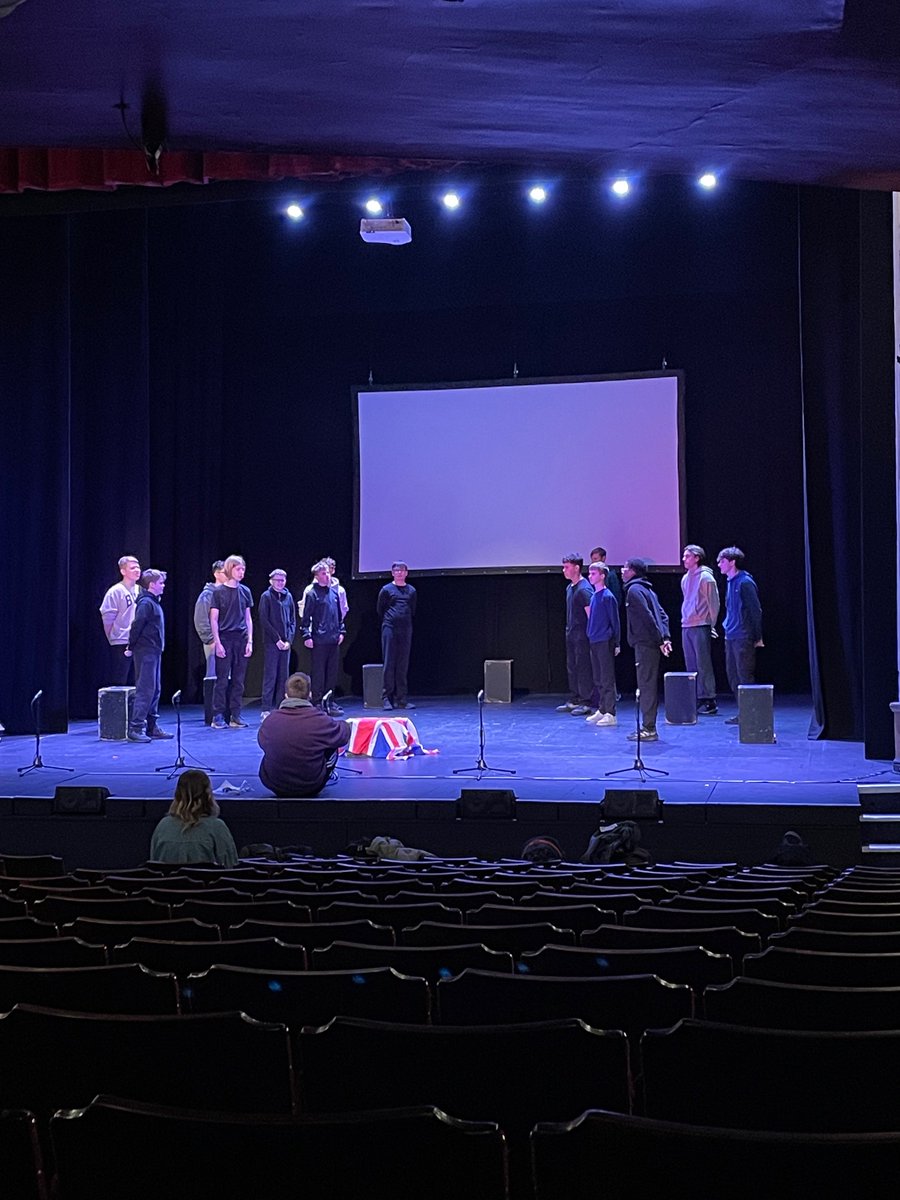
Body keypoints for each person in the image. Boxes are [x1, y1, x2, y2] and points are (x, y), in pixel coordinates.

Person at [257, 671, 351, 797]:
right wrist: (331, 722)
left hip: (274, 784)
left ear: (286, 695)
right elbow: (344, 734)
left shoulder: (270, 720)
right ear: (310, 695)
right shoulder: (319, 719)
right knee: (332, 742)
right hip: (311, 785)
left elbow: (262, 742)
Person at [622, 557, 672, 741]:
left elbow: (648, 617)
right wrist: (665, 637)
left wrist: (660, 640)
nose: (622, 570)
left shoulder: (634, 591)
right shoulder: (647, 589)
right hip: (651, 642)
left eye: (625, 567)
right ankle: (648, 726)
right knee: (648, 684)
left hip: (645, 643)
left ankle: (649, 728)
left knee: (646, 686)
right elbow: (662, 615)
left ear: (633, 571)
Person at [150, 769, 238, 866]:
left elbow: (154, 864)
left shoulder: (163, 826)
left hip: (168, 880)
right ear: (208, 795)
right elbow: (230, 867)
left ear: (177, 794)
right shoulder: (217, 827)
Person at [717, 546, 763, 725]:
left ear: (732, 562)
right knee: (733, 675)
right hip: (730, 635)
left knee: (744, 676)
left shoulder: (745, 582)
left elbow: (755, 610)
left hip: (743, 636)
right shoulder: (730, 582)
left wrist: (757, 636)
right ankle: (743, 712)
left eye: (722, 561)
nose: (719, 564)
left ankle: (751, 713)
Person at [125, 568, 172, 742]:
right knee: (145, 689)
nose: (163, 586)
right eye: (161, 583)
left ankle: (151, 726)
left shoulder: (154, 602)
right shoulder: (146, 603)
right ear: (152, 584)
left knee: (155, 689)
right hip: (145, 651)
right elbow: (137, 626)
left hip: (154, 650)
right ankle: (136, 727)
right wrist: (131, 645)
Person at [209, 554, 254, 730]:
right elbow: (214, 619)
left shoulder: (245, 591)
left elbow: (248, 618)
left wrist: (250, 641)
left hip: (241, 639)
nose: (241, 572)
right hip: (225, 638)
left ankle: (235, 715)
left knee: (239, 679)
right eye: (237, 569)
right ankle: (218, 715)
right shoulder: (218, 592)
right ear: (229, 569)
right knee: (222, 680)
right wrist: (217, 642)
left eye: (243, 569)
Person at [681, 543, 721, 715]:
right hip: (687, 624)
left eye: (688, 556)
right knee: (691, 664)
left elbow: (714, 603)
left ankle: (709, 699)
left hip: (701, 624)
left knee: (703, 664)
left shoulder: (706, 578)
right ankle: (695, 697)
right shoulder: (685, 578)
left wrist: (711, 624)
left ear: (697, 558)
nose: (684, 559)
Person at [301, 560, 345, 713]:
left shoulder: (334, 593)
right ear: (317, 576)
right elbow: (306, 618)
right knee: (319, 673)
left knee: (332, 673)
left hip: (333, 639)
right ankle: (317, 702)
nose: (327, 576)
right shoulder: (312, 594)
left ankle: (330, 701)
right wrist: (306, 636)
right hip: (319, 640)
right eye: (323, 573)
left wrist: (341, 631)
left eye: (327, 573)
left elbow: (339, 616)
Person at [557, 554, 594, 716]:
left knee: (583, 667)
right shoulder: (570, 588)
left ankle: (586, 702)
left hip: (583, 635)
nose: (563, 570)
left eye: (567, 567)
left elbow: (591, 615)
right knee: (572, 666)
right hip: (571, 633)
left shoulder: (584, 589)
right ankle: (575, 698)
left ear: (577, 568)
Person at [377, 561, 417, 710]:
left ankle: (402, 699)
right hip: (390, 628)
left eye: (402, 570)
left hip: (405, 629)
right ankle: (387, 698)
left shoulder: (411, 591)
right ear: (392, 573)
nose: (399, 573)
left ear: (406, 573)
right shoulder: (386, 590)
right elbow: (380, 609)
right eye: (396, 570)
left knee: (402, 664)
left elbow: (412, 609)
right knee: (389, 663)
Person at [585, 560, 620, 726]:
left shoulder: (608, 597)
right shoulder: (594, 597)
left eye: (593, 573)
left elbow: (615, 621)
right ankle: (602, 708)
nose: (590, 576)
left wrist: (616, 643)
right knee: (598, 677)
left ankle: (611, 712)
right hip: (594, 640)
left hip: (605, 641)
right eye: (590, 573)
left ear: (602, 576)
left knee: (607, 678)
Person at [259, 568, 296, 718]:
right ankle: (266, 709)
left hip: (286, 644)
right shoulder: (266, 597)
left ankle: (282, 706)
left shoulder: (289, 597)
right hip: (272, 643)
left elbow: (293, 620)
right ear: (271, 581)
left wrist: (289, 640)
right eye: (277, 580)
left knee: (284, 676)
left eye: (283, 580)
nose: (280, 583)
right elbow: (264, 619)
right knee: (270, 676)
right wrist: (277, 640)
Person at [99, 555, 141, 685]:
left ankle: (134, 705)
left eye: (138, 567)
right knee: (120, 679)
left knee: (136, 680)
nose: (137, 570)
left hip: (138, 641)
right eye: (133, 568)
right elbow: (107, 617)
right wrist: (113, 636)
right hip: (121, 641)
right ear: (123, 571)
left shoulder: (140, 590)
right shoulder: (116, 591)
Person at [193, 560, 228, 682]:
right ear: (217, 574)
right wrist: (210, 639)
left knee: (226, 677)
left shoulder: (229, 593)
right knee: (214, 676)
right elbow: (200, 619)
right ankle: (212, 701)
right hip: (213, 641)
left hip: (228, 640)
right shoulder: (207, 595)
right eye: (225, 572)